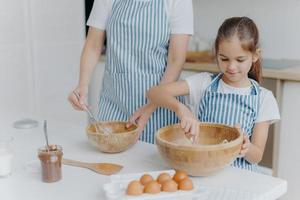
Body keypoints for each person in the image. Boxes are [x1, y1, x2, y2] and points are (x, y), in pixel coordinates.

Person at [147, 17, 280, 171]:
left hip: (239, 178)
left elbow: (257, 156)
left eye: (240, 60)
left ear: (255, 56)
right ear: (216, 53)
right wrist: (182, 109)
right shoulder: (204, 83)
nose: (231, 66)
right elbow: (154, 92)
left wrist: (246, 147)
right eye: (224, 59)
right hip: (202, 170)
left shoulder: (264, 98)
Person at [68, 0, 193, 144]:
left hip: (160, 105)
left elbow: (175, 60)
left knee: (154, 160)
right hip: (114, 102)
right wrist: (82, 85)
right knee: (113, 160)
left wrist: (152, 105)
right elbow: (93, 45)